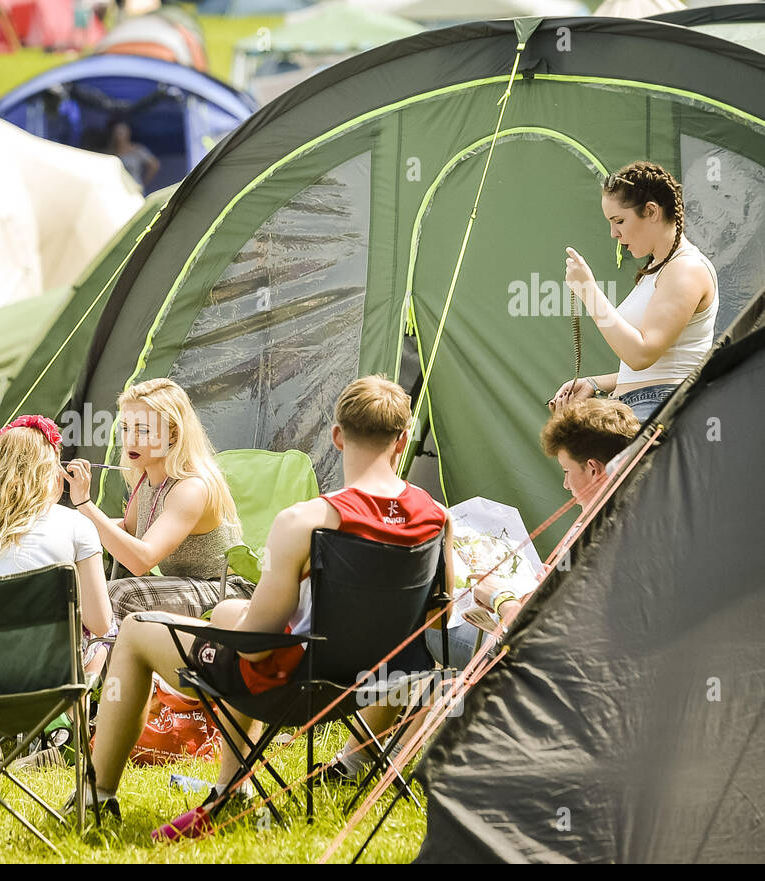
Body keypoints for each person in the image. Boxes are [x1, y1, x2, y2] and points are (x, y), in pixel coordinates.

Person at [80, 376, 452, 827]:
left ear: (337, 436)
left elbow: (256, 647)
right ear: (404, 439)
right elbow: (437, 621)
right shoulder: (438, 520)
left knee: (139, 627)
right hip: (380, 682)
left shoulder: (303, 521)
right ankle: (229, 790)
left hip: (296, 686)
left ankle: (96, 798)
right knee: (230, 613)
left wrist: (226, 622)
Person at [63, 378, 254, 669]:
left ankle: (103, 689)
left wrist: (86, 506)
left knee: (119, 593)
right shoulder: (149, 478)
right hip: (185, 586)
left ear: (173, 435)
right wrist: (63, 526)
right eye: (126, 428)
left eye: (144, 430)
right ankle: (74, 683)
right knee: (80, 585)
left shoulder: (191, 487)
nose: (131, 440)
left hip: (224, 591)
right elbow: (125, 530)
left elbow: (141, 559)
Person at [551, 160, 718, 422]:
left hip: (660, 410)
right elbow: (654, 366)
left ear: (651, 211)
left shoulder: (686, 268)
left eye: (619, 221)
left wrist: (589, 291)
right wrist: (595, 384)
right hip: (638, 405)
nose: (613, 234)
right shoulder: (657, 269)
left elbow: (641, 354)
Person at [0, 415, 115, 650]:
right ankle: (89, 685)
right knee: (106, 637)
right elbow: (100, 624)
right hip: (46, 670)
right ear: (53, 472)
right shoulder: (77, 524)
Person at [472, 398, 640, 630]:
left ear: (593, 469)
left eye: (566, 471)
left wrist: (501, 599)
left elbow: (555, 632)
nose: (566, 484)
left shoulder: (605, 535)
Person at [107, 121, 159, 192]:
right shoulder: (111, 152)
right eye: (117, 133)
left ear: (128, 133)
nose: (119, 136)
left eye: (122, 133)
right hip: (117, 190)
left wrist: (143, 183)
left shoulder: (137, 149)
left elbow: (154, 164)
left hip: (135, 190)